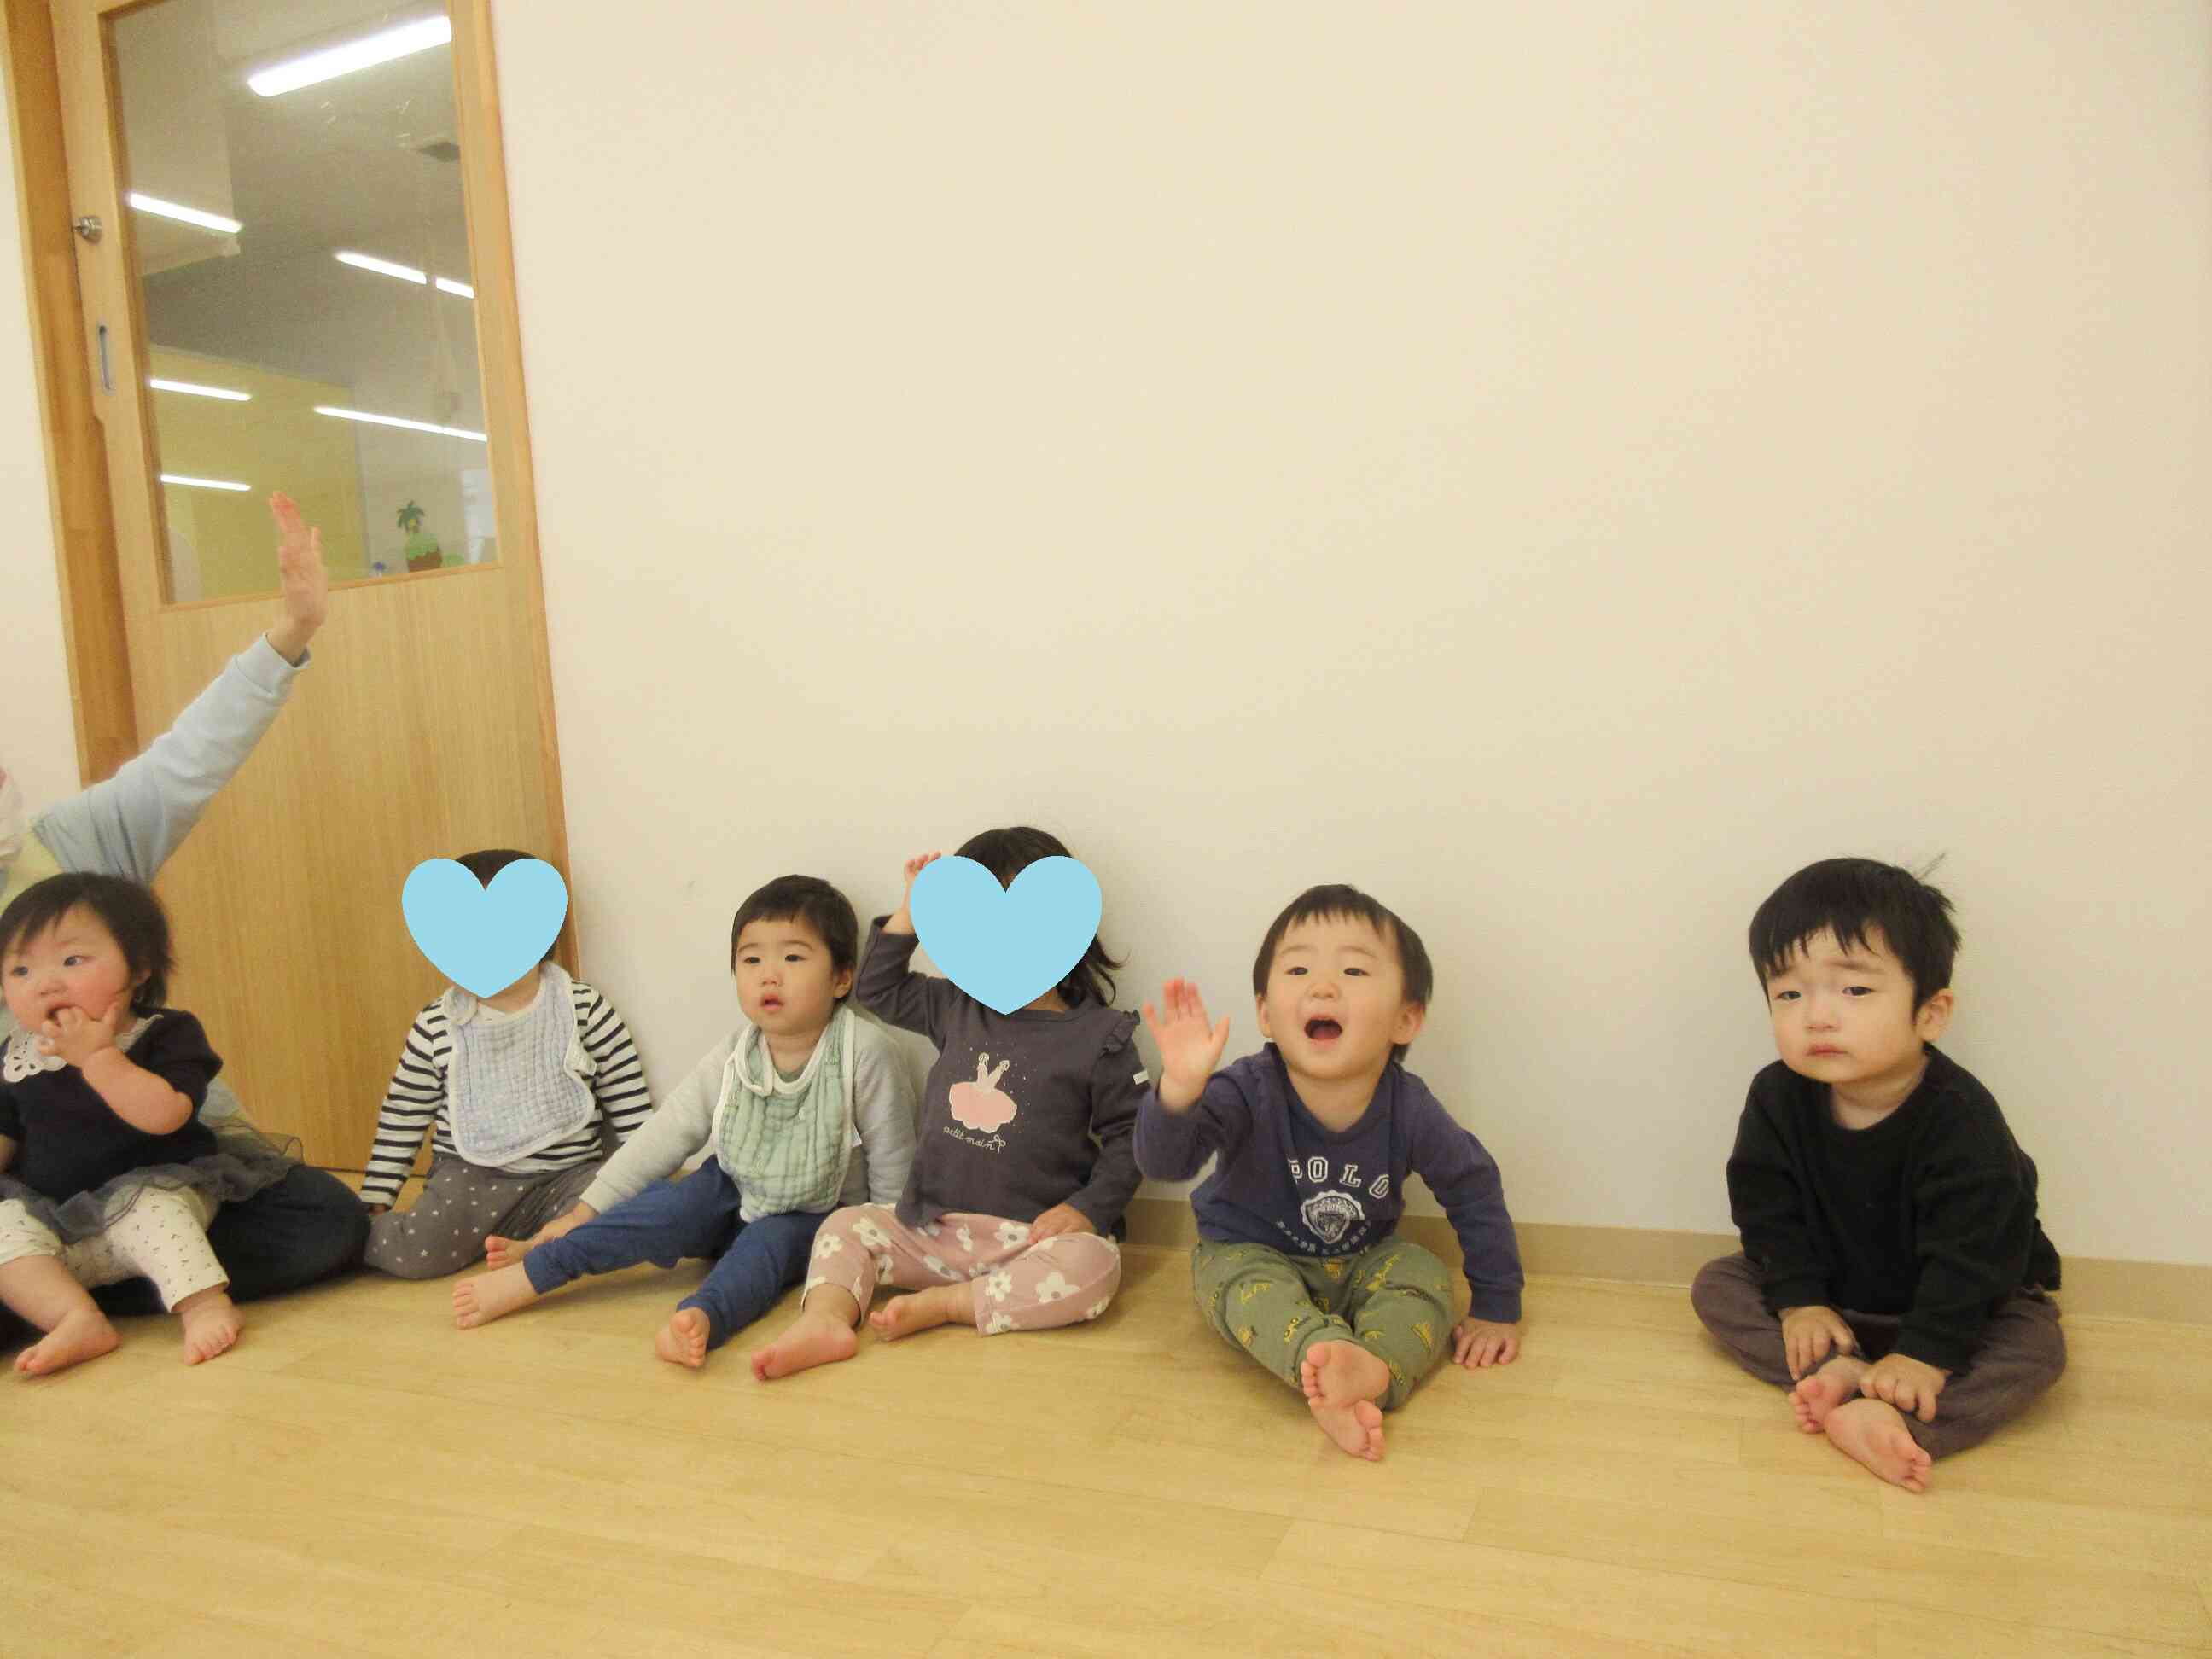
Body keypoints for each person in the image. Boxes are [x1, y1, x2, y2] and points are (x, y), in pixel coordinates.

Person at [0, 495, 366, 1350]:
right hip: (29, 1193)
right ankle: (86, 1288)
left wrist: (293, 630)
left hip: (164, 1170)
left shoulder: (72, 842)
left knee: (323, 1220)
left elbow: (189, 758)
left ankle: (101, 1284)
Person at [1691, 858, 2065, 1493]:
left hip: (1959, 1303)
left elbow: (1975, 1257)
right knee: (1718, 1285)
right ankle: (1839, 1370)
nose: (1817, 1016)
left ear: (1931, 1013)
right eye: (1789, 994)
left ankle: (1895, 1415)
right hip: (1840, 1300)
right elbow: (1765, 1207)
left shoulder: (1963, 1120)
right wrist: (1800, 1301)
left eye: (1855, 991)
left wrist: (1926, 1355)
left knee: (2035, 1349)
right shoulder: (1777, 1097)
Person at [451, 876, 916, 1366]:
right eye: (751, 960)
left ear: (842, 978)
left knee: (764, 1250)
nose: (769, 976)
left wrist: (884, 1248)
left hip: (812, 1213)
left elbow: (893, 1155)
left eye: (793, 958)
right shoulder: (737, 1053)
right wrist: (582, 1212)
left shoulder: (864, 1051)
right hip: (731, 1187)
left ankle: (702, 1317)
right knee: (665, 1207)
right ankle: (538, 1269)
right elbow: (668, 1131)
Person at [1135, 884, 1525, 1460]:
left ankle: (1374, 1367)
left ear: (1405, 1018)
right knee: (1247, 1292)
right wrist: (1179, 1092)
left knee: (1424, 1273)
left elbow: (1473, 1188)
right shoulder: (1245, 1089)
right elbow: (1165, 1164)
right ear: (1266, 1014)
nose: (1322, 986)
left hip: (1365, 1256)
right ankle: (1324, 1362)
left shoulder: (1410, 1108)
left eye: (1354, 971)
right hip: (1248, 1252)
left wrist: (1496, 1304)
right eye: (1298, 970)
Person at [749, 827, 1141, 1380]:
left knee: (1094, 1266)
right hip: (932, 1231)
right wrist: (911, 912)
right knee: (844, 1226)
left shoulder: (1100, 1037)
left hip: (1029, 1241)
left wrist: (1088, 1209)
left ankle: (955, 1304)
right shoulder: (955, 1006)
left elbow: (1132, 1138)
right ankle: (826, 1319)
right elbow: (877, 989)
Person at [0, 874, 294, 1371]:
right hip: (55, 1212)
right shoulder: (16, 1055)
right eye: (21, 969)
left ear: (138, 967)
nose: (45, 982)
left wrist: (98, 1058)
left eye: (72, 961)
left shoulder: (163, 1033)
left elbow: (165, 1117)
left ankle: (203, 1305)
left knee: (153, 1210)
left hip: (155, 1185)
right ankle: (74, 1317)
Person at [358, 848, 651, 1278]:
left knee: (613, 1215)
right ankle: (356, 1235)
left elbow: (630, 1103)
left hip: (567, 1178)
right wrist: (376, 1197)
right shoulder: (438, 1025)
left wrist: (645, 1179)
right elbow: (404, 1115)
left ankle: (532, 1246)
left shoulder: (583, 1010)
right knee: (417, 1252)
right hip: (472, 1179)